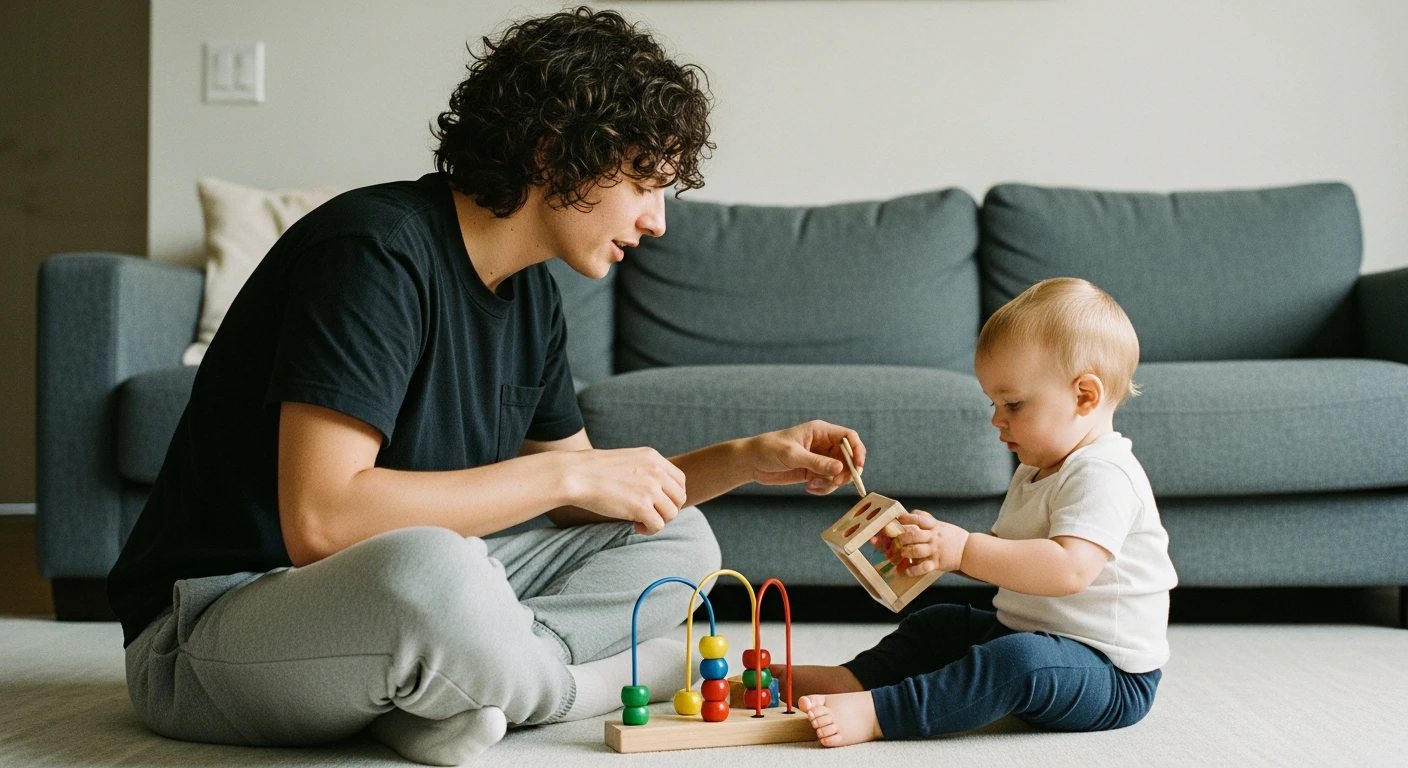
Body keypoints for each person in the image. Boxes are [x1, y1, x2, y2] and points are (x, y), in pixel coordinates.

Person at [107, 8, 867, 765]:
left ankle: (442, 693)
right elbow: (323, 521)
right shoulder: (376, 254)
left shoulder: (531, 293)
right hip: (212, 625)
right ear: (552, 152)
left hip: (389, 614)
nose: (658, 220)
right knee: (437, 570)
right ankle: (571, 687)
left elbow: (581, 505)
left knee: (680, 541)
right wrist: (563, 472)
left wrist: (743, 458)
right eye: (642, 179)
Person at [787, 277, 1178, 746]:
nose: (996, 418)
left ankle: (880, 714)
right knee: (940, 624)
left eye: (1012, 403)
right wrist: (938, 550)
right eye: (994, 403)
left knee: (1016, 663)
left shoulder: (1105, 473)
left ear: (1085, 396)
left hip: (1109, 673)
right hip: (1028, 633)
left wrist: (964, 549)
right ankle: (854, 679)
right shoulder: (1037, 469)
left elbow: (1069, 570)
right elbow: (1013, 563)